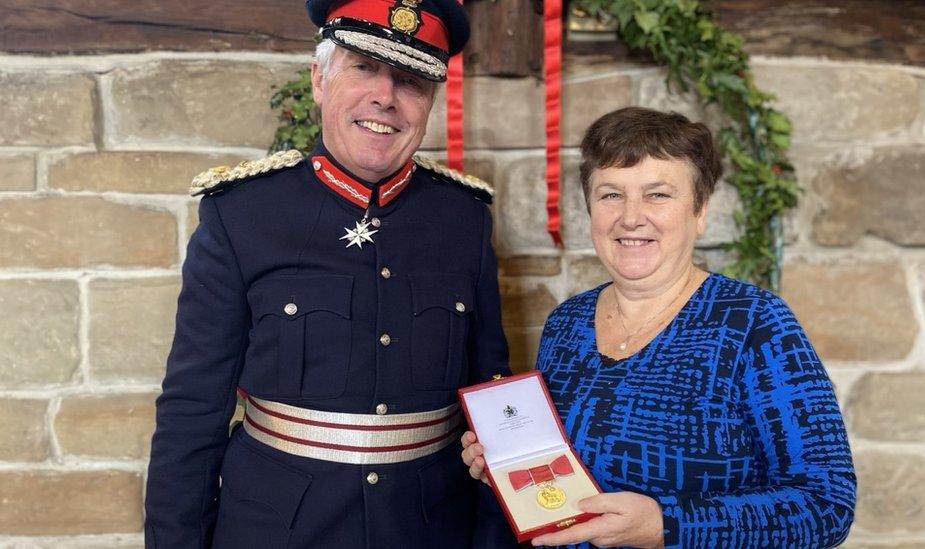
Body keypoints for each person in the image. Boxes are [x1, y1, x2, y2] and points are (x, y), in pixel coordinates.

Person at [144, 1, 516, 547]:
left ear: (430, 102)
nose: (385, 98)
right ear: (320, 79)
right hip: (277, 530)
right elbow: (191, 414)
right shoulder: (242, 214)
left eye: (411, 81)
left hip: (430, 529)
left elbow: (492, 406)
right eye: (363, 67)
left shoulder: (463, 220)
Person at [462, 107, 857, 548]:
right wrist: (506, 465)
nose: (631, 217)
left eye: (658, 195)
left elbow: (827, 506)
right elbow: (562, 474)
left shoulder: (756, 325)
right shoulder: (566, 324)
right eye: (611, 194)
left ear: (700, 210)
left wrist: (666, 525)